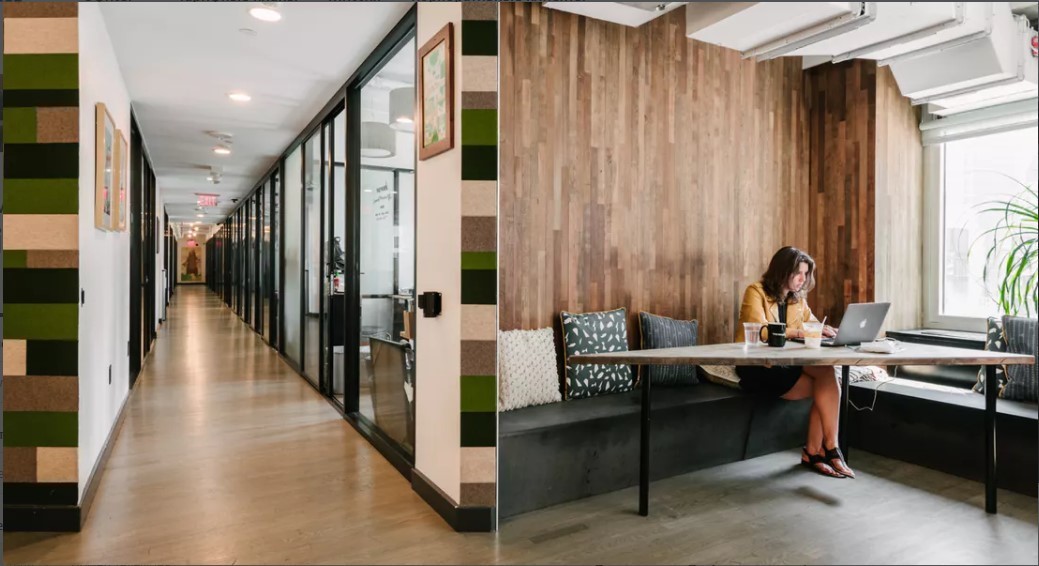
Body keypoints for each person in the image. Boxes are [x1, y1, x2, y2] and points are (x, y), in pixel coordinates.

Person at [735, 246, 854, 479]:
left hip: (789, 363)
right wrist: (800, 332)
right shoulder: (755, 292)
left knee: (827, 376)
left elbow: (813, 325)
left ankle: (823, 449)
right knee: (827, 388)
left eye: (806, 274)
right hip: (760, 366)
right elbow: (760, 331)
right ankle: (821, 451)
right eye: (798, 273)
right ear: (782, 271)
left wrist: (827, 330)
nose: (803, 279)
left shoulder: (797, 300)